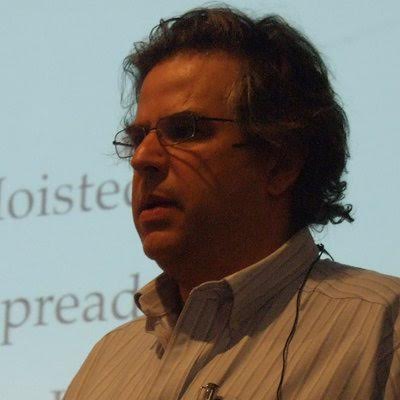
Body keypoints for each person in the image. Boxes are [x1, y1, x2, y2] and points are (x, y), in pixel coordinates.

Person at [64, 6, 399, 400]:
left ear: (280, 164)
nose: (142, 158)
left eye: (184, 130)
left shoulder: (384, 331)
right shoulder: (107, 362)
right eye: (138, 138)